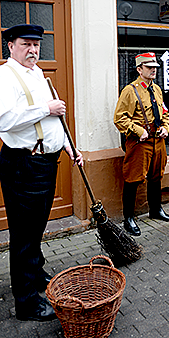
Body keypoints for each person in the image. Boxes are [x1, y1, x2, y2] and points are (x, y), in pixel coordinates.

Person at [0, 24, 83, 321]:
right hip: (23, 164)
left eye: (36, 44)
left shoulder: (38, 73)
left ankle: (35, 273)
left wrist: (69, 148)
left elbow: (54, 121)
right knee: (23, 234)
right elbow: (4, 120)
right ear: (10, 46)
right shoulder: (5, 76)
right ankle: (26, 302)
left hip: (46, 163)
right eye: (26, 44)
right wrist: (44, 109)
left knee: (36, 228)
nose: (33, 50)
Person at [114, 52, 169, 237]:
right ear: (139, 69)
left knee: (156, 176)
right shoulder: (130, 91)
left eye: (155, 68)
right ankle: (129, 218)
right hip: (140, 143)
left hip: (158, 141)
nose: (153, 71)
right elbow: (119, 118)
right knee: (133, 179)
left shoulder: (156, 89)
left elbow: (164, 112)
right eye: (149, 68)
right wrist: (139, 131)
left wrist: (166, 126)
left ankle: (155, 209)